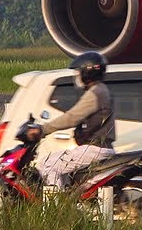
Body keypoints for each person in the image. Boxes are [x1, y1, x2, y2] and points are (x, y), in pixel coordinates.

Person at [28, 51, 116, 188]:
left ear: (87, 73)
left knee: (47, 164)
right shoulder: (101, 90)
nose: (77, 76)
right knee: (60, 167)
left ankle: (55, 206)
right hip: (97, 147)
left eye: (78, 72)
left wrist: (43, 129)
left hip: (94, 148)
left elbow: (72, 117)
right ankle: (68, 197)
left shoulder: (96, 93)